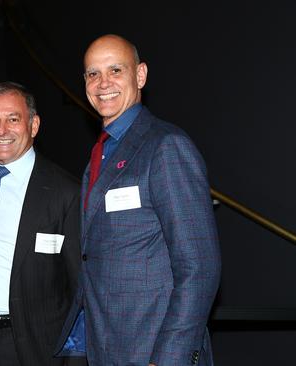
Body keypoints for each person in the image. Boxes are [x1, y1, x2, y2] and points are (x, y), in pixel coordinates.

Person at [57, 34, 221, 365]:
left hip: (153, 351)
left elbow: (200, 268)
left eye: (115, 70)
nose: (103, 83)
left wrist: (168, 358)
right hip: (107, 346)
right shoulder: (100, 154)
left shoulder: (166, 147)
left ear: (140, 75)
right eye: (92, 73)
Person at [0, 81, 84, 366]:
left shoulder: (65, 193)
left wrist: (75, 359)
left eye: (13, 119)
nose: (2, 131)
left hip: (31, 345)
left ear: (33, 125)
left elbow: (80, 290)